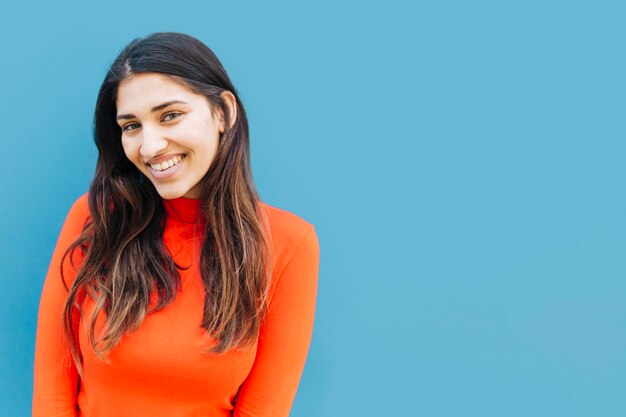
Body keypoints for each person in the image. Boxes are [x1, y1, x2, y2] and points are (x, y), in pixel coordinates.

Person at [32, 32, 320, 417]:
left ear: (224, 112)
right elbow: (52, 389)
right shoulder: (95, 217)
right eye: (131, 126)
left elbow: (263, 409)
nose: (149, 147)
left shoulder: (288, 243)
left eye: (170, 115)